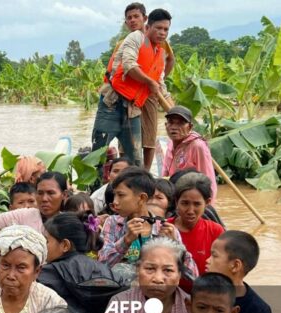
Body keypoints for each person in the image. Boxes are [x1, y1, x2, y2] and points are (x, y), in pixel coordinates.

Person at [91, 9, 173, 168]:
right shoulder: (136, 38)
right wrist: (149, 82)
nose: (162, 33)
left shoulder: (160, 54)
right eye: (158, 28)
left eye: (166, 29)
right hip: (112, 104)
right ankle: (94, 189)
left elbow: (162, 87)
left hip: (133, 109)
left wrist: (179, 115)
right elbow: (129, 65)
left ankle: (135, 189)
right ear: (148, 27)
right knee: (98, 154)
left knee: (135, 159)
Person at [103, 237, 195, 313]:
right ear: (138, 270)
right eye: (150, 269)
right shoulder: (120, 304)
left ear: (179, 275)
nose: (158, 279)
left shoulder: (192, 308)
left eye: (168, 270)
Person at [99, 169, 185, 281]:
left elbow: (188, 272)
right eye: (115, 195)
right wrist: (125, 241)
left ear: (142, 198)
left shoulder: (164, 228)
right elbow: (101, 264)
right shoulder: (113, 223)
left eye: (121, 195)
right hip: (121, 293)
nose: (115, 201)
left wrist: (176, 247)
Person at [39, 212, 125, 313]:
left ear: (65, 245)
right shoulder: (106, 272)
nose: (42, 245)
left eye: (46, 241)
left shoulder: (46, 274)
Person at [205, 230, 273, 313]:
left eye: (214, 256)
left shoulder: (258, 310)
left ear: (235, 265)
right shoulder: (202, 294)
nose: (207, 260)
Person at [0, 172, 68, 234]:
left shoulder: (69, 223)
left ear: (64, 195)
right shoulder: (24, 214)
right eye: (40, 193)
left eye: (51, 193)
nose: (44, 199)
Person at [161, 105, 217, 204]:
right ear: (166, 125)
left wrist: (208, 207)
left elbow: (208, 179)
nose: (174, 127)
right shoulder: (170, 144)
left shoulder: (197, 146)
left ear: (190, 127)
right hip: (174, 198)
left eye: (180, 123)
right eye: (171, 122)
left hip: (190, 199)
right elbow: (165, 173)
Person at [172, 173, 225, 275]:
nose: (190, 210)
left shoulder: (215, 231)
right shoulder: (164, 228)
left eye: (197, 204)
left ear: (207, 203)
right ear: (176, 202)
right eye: (185, 203)